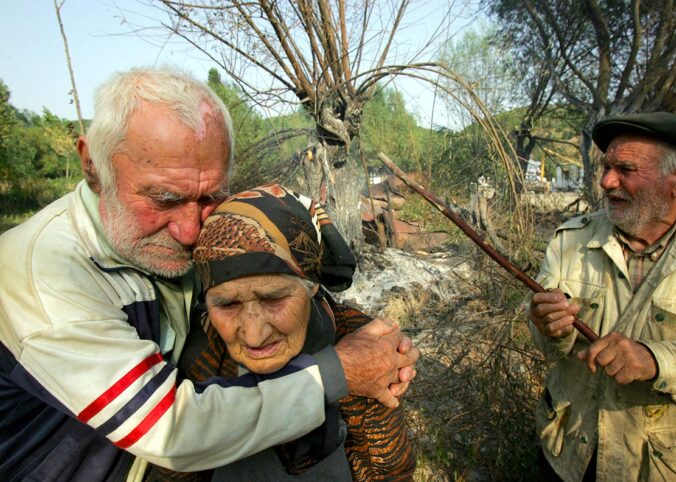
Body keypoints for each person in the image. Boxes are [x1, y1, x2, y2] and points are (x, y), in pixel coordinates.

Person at [0, 68, 418, 481]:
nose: (191, 231)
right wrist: (339, 372)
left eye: (211, 196)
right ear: (93, 166)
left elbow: (273, 223)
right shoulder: (46, 274)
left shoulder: (155, 239)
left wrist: (307, 226)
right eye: (164, 199)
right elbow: (175, 432)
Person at [147, 184, 416, 481]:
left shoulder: (362, 345)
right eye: (227, 304)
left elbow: (388, 470)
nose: (253, 335)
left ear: (312, 284)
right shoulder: (196, 352)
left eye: (273, 299)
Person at [528, 112, 676, 482]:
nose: (606, 181)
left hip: (661, 465)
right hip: (570, 451)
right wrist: (549, 328)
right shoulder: (570, 240)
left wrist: (655, 359)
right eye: (606, 166)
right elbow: (546, 344)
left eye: (626, 169)